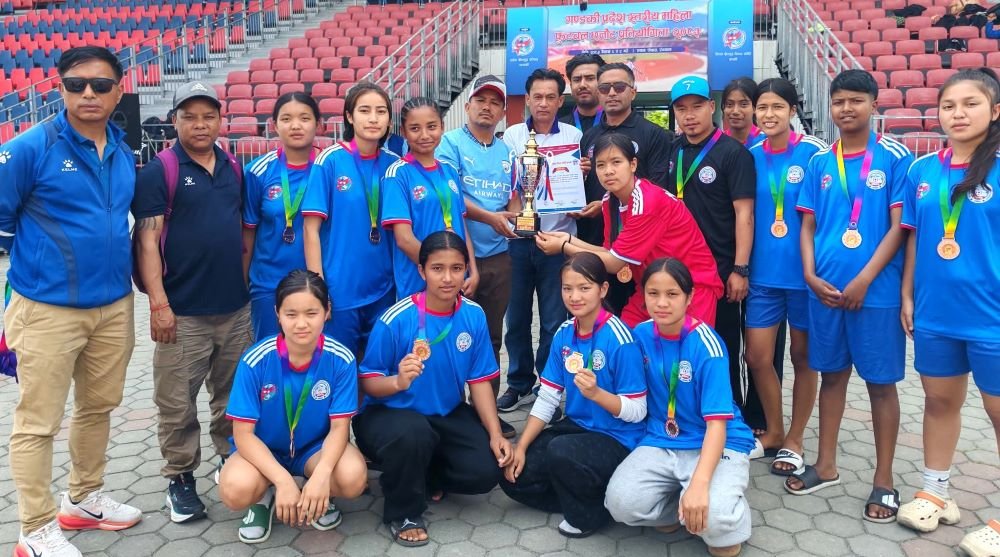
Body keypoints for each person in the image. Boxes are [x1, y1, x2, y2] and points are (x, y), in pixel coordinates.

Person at [1, 46, 142, 557]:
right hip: (47, 310)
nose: (88, 93)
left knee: (97, 407)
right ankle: (35, 528)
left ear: (118, 91)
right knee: (38, 422)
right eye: (76, 84)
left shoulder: (123, 151)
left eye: (100, 85)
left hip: (113, 306)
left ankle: (82, 500)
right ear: (59, 88)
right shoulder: (29, 148)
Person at [786, 69, 912, 524]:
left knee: (881, 384)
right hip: (825, 291)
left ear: (874, 105)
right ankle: (826, 465)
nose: (846, 108)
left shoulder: (895, 157)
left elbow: (900, 227)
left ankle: (884, 480)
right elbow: (808, 226)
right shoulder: (821, 161)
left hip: (875, 294)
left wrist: (865, 279)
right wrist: (809, 274)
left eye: (856, 100)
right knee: (832, 377)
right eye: (839, 101)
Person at [133, 80, 254, 524]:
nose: (200, 124)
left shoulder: (234, 168)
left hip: (234, 309)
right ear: (174, 121)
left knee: (232, 396)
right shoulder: (158, 171)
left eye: (208, 116)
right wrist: (158, 305)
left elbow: (242, 231)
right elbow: (147, 241)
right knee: (176, 402)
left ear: (221, 120)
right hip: (181, 312)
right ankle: (180, 478)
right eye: (190, 116)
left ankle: (231, 458)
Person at [896, 68, 1000, 557]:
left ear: (994, 111)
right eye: (948, 106)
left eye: (970, 104)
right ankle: (935, 491)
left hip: (992, 318)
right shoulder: (922, 171)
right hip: (936, 314)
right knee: (939, 402)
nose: (957, 114)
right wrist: (908, 295)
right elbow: (913, 239)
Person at [354, 231, 512, 547]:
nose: (448, 278)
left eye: (457, 268)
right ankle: (403, 512)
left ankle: (420, 474)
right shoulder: (397, 319)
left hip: (445, 413)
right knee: (412, 434)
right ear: (422, 270)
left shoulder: (473, 315)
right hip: (390, 414)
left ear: (467, 269)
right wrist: (398, 381)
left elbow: (479, 381)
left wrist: (495, 433)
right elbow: (367, 381)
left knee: (485, 472)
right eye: (438, 268)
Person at [605, 258, 753, 557]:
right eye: (653, 293)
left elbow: (716, 425)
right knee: (620, 503)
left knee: (720, 536)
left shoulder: (707, 345)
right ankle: (682, 507)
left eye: (672, 294)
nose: (662, 303)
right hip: (662, 438)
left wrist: (700, 483)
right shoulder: (640, 336)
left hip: (716, 440)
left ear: (689, 296)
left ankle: (722, 511)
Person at [500, 252, 646, 538]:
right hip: (577, 427)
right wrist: (521, 446)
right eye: (567, 288)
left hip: (619, 437)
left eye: (584, 288)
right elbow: (547, 398)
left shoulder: (621, 339)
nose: (574, 296)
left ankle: (590, 514)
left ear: (603, 289)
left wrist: (597, 394)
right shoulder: (565, 333)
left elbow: (638, 411)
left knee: (561, 452)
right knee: (513, 476)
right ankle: (588, 497)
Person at [219, 270, 368, 544]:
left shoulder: (341, 359)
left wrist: (322, 475)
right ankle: (264, 498)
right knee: (234, 490)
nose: (301, 324)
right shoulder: (255, 360)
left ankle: (319, 493)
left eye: (311, 313)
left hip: (314, 449)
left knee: (353, 478)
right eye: (291, 314)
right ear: (277, 313)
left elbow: (340, 428)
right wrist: (282, 480)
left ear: (327, 311)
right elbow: (243, 435)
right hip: (265, 451)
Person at [535, 133, 722, 328]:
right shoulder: (610, 201)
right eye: (601, 165)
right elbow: (609, 252)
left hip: (689, 287)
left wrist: (564, 246)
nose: (608, 171)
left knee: (685, 347)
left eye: (616, 162)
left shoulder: (647, 202)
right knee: (626, 338)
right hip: (651, 288)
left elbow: (615, 264)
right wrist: (568, 239)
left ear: (633, 165)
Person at [665, 75, 758, 434]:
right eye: (681, 109)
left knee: (722, 348)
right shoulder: (674, 150)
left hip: (719, 273)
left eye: (696, 107)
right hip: (679, 273)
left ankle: (731, 422)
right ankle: (688, 416)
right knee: (683, 348)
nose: (689, 116)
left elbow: (744, 214)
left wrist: (740, 269)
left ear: (711, 107)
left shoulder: (733, 153)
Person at [744, 78, 827, 475]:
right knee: (757, 356)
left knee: (803, 357)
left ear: (793, 111)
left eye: (778, 107)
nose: (769, 114)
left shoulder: (815, 153)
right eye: (762, 107)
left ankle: (795, 439)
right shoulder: (750, 154)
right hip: (763, 276)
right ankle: (774, 430)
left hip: (806, 277)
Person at [436, 75, 518, 437]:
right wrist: (491, 218)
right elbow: (451, 195)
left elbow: (515, 197)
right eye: (481, 100)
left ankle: (487, 415)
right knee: (452, 336)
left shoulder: (508, 152)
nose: (487, 107)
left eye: (495, 102)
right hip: (456, 259)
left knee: (491, 338)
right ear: (467, 106)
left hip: (500, 256)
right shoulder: (450, 143)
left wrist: (519, 216)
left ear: (502, 112)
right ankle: (452, 414)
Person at [498, 68, 580, 413]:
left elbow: (580, 186)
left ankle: (548, 387)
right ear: (527, 100)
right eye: (537, 97)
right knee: (516, 319)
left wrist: (578, 191)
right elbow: (506, 184)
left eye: (550, 97)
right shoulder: (511, 137)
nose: (543, 103)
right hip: (518, 240)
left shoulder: (575, 136)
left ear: (560, 101)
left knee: (552, 321)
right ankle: (518, 383)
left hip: (557, 242)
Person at [302, 82, 398, 355]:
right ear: (349, 116)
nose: (373, 118)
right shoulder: (330, 160)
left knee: (378, 368)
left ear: (389, 120)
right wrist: (318, 290)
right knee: (340, 367)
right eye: (364, 110)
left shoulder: (395, 164)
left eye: (381, 111)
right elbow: (310, 230)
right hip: (340, 290)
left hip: (384, 290)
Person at [578, 62, 674, 310]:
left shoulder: (654, 134)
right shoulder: (589, 137)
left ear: (633, 91)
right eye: (605, 88)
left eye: (619, 87)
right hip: (598, 238)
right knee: (599, 315)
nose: (611, 93)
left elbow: (658, 187)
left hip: (641, 245)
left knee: (640, 314)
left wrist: (609, 205)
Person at [243, 92, 321, 341]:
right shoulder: (257, 172)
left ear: (318, 124)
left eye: (304, 118)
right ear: (274, 125)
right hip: (269, 284)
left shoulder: (329, 167)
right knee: (272, 354)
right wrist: (243, 283)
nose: (296, 126)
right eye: (286, 119)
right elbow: (248, 231)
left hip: (319, 284)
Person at [382, 97, 478, 299]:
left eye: (432, 126)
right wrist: (439, 273)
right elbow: (404, 239)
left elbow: (461, 225)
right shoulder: (398, 174)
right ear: (404, 132)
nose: (424, 135)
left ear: (442, 127)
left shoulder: (449, 171)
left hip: (454, 282)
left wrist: (472, 269)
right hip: (418, 284)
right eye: (415, 128)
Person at [560, 53, 606, 133]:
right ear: (571, 86)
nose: (582, 85)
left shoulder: (617, 123)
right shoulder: (560, 128)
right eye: (577, 80)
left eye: (590, 79)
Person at [722, 78, 765, 147]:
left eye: (743, 104)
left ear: (755, 107)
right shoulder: (716, 142)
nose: (735, 111)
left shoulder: (767, 142)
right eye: (729, 104)